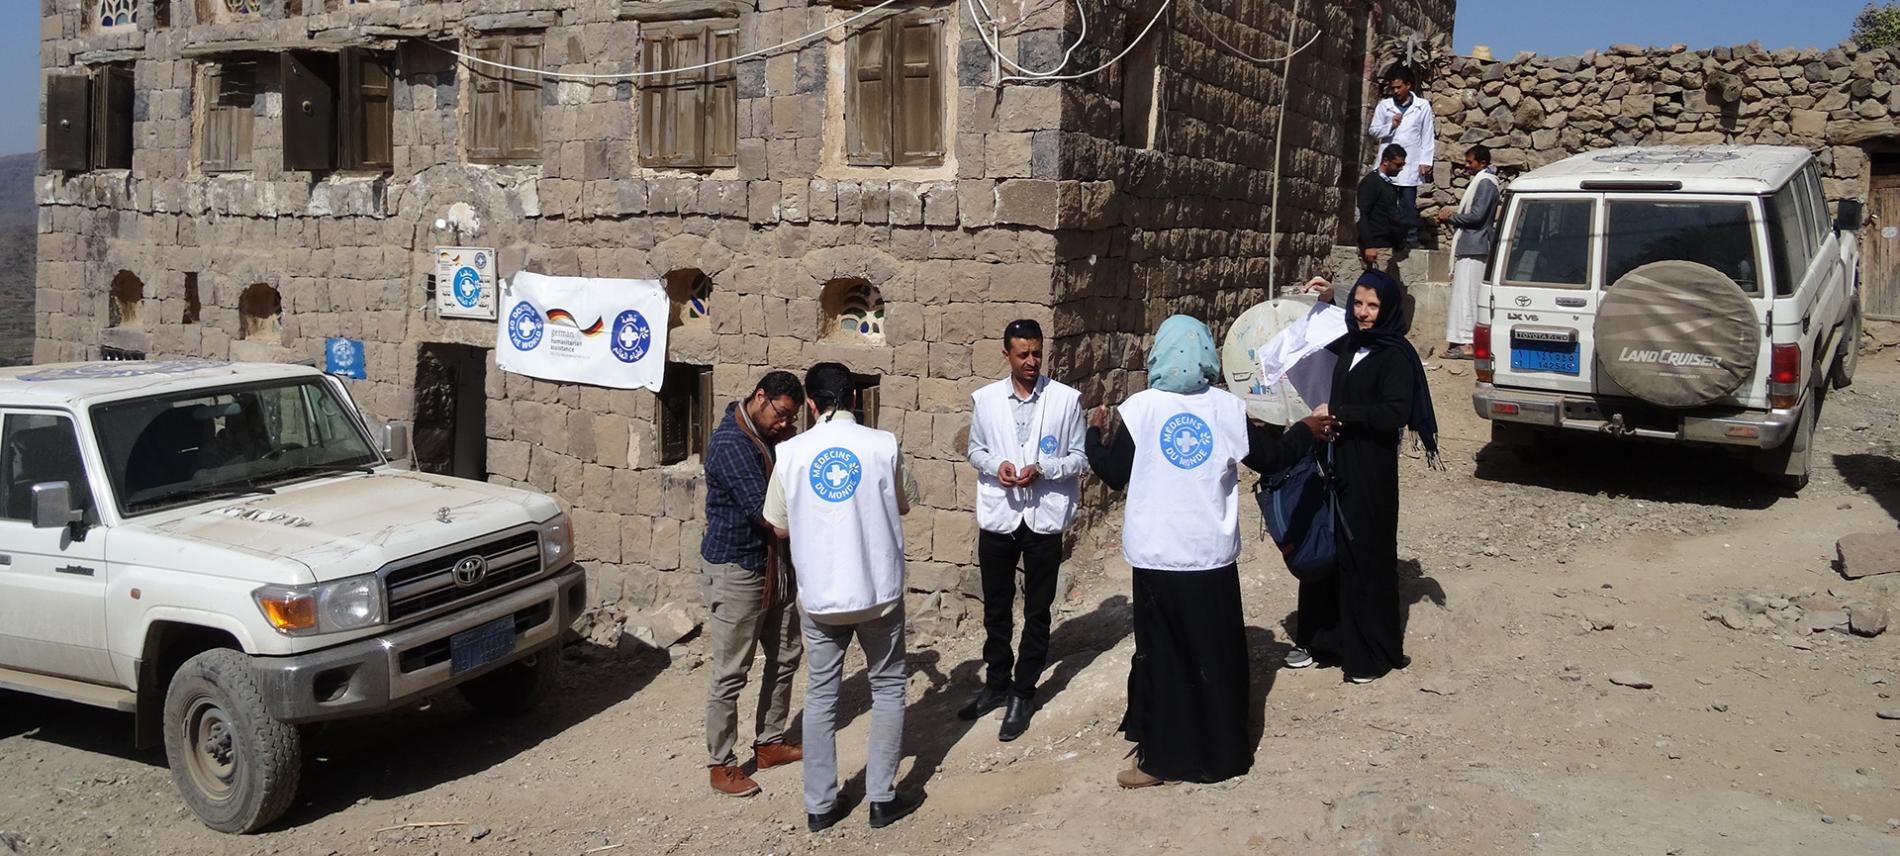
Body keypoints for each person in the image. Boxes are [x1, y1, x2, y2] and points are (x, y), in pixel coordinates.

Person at [1084, 316, 1338, 788]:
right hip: (1209, 557)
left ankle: (1161, 760)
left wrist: (1091, 437)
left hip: (1158, 557)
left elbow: (1113, 472)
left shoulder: (1138, 410)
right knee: (1214, 653)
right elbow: (1272, 457)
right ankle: (1222, 755)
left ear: (1159, 353)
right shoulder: (1226, 408)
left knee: (1164, 655)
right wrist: (1305, 429)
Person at [763, 362, 923, 832]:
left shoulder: (790, 453)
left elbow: (778, 524)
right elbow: (905, 501)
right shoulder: (882, 445)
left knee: (822, 696)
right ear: (855, 397)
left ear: (810, 403)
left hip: (821, 597)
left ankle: (820, 806)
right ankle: (881, 797)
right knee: (889, 686)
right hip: (878, 593)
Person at [1284, 269, 1440, 684]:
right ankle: (1322, 642)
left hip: (1370, 471)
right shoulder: (1352, 341)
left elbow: (1394, 412)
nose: (1364, 313)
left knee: (1366, 555)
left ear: (1387, 308)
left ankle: (1369, 653)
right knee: (1328, 549)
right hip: (1335, 463)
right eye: (1359, 304)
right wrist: (1330, 300)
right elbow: (1325, 333)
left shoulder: (1396, 354)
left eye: (1372, 306)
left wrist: (1341, 415)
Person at [960, 319, 1088, 742]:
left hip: (1042, 517)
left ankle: (1023, 689)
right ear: (1007, 355)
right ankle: (996, 681)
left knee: (1038, 605)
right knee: (996, 605)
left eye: (1037, 353)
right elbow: (974, 448)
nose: (1032, 361)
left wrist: (1045, 470)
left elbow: (1079, 458)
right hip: (1000, 515)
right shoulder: (987, 400)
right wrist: (997, 466)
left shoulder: (1066, 401)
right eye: (1023, 354)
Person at [698, 371, 807, 797]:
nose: (784, 423)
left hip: (773, 569)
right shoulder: (731, 445)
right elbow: (769, 516)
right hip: (737, 571)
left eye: (790, 418)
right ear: (760, 398)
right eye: (780, 414)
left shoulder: (768, 439)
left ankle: (770, 741)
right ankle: (721, 763)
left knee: (785, 656)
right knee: (732, 671)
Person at [1435, 145, 1501, 359]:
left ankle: (1468, 344)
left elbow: (1477, 216)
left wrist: (1451, 217)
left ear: (1482, 163)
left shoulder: (1485, 183)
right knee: (1464, 295)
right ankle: (1464, 341)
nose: (1466, 166)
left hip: (1476, 246)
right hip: (1472, 245)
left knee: (1468, 296)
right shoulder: (1483, 182)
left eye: (1470, 162)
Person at [1367, 65, 1436, 247]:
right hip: (1388, 162)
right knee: (1385, 202)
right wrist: (1390, 125)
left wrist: (1425, 161)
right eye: (1393, 88)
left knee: (1407, 203)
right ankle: (1385, 237)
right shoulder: (1385, 106)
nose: (1395, 91)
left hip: (1410, 162)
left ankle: (1409, 239)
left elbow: (1427, 134)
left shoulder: (1422, 107)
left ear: (1409, 86)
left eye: (1399, 87)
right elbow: (1374, 130)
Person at [1357, 144, 1408, 272]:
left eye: (1402, 165)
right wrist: (1369, 245)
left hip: (1386, 246)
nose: (1400, 169)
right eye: (1397, 165)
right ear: (1385, 161)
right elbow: (1361, 214)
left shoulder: (1388, 184)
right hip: (1376, 247)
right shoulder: (1371, 182)